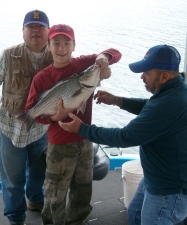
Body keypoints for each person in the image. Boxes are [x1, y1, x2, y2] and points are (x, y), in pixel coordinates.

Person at [58, 44, 187, 225]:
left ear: (164, 76)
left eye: (146, 73)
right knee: (134, 214)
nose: (142, 77)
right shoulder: (173, 92)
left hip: (170, 190)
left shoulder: (170, 104)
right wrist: (117, 100)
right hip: (156, 178)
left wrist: (83, 129)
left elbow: (125, 137)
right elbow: (149, 107)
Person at [25, 24, 122, 225]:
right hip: (59, 145)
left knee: (83, 191)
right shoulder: (41, 78)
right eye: (56, 44)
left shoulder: (82, 65)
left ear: (74, 45)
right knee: (55, 195)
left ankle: (78, 222)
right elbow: (33, 113)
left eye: (67, 43)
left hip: (85, 141)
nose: (62, 49)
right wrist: (53, 118)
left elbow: (116, 53)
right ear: (48, 47)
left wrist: (104, 58)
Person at [0, 10, 53, 225]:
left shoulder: (57, 55)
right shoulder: (8, 55)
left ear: (48, 31)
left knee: (39, 172)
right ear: (23, 31)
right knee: (12, 181)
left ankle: (35, 200)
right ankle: (16, 219)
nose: (36, 31)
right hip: (11, 130)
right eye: (31, 27)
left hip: (41, 131)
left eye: (41, 27)